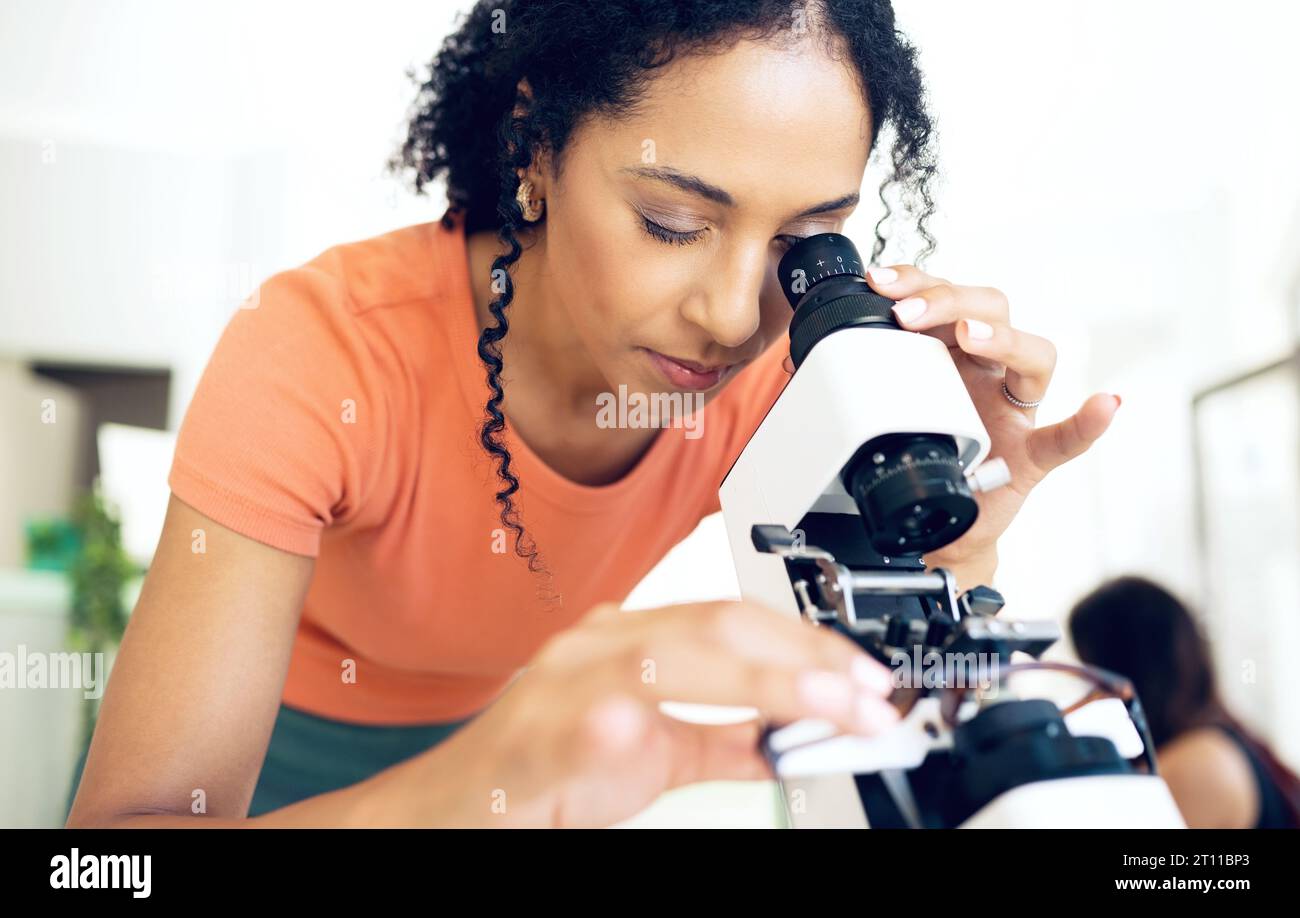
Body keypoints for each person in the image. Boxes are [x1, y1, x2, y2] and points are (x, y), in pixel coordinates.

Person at [66, 0, 1118, 828]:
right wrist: (465, 791)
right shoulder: (321, 351)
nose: (727, 315)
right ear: (535, 141)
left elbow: (893, 713)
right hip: (288, 777)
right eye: (671, 223)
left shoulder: (773, 387)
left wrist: (945, 540)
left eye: (804, 243)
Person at [1069, 575, 1300, 829]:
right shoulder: (1219, 740)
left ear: (1123, 670)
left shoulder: (1195, 764)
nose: (1092, 694)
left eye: (1091, 673)